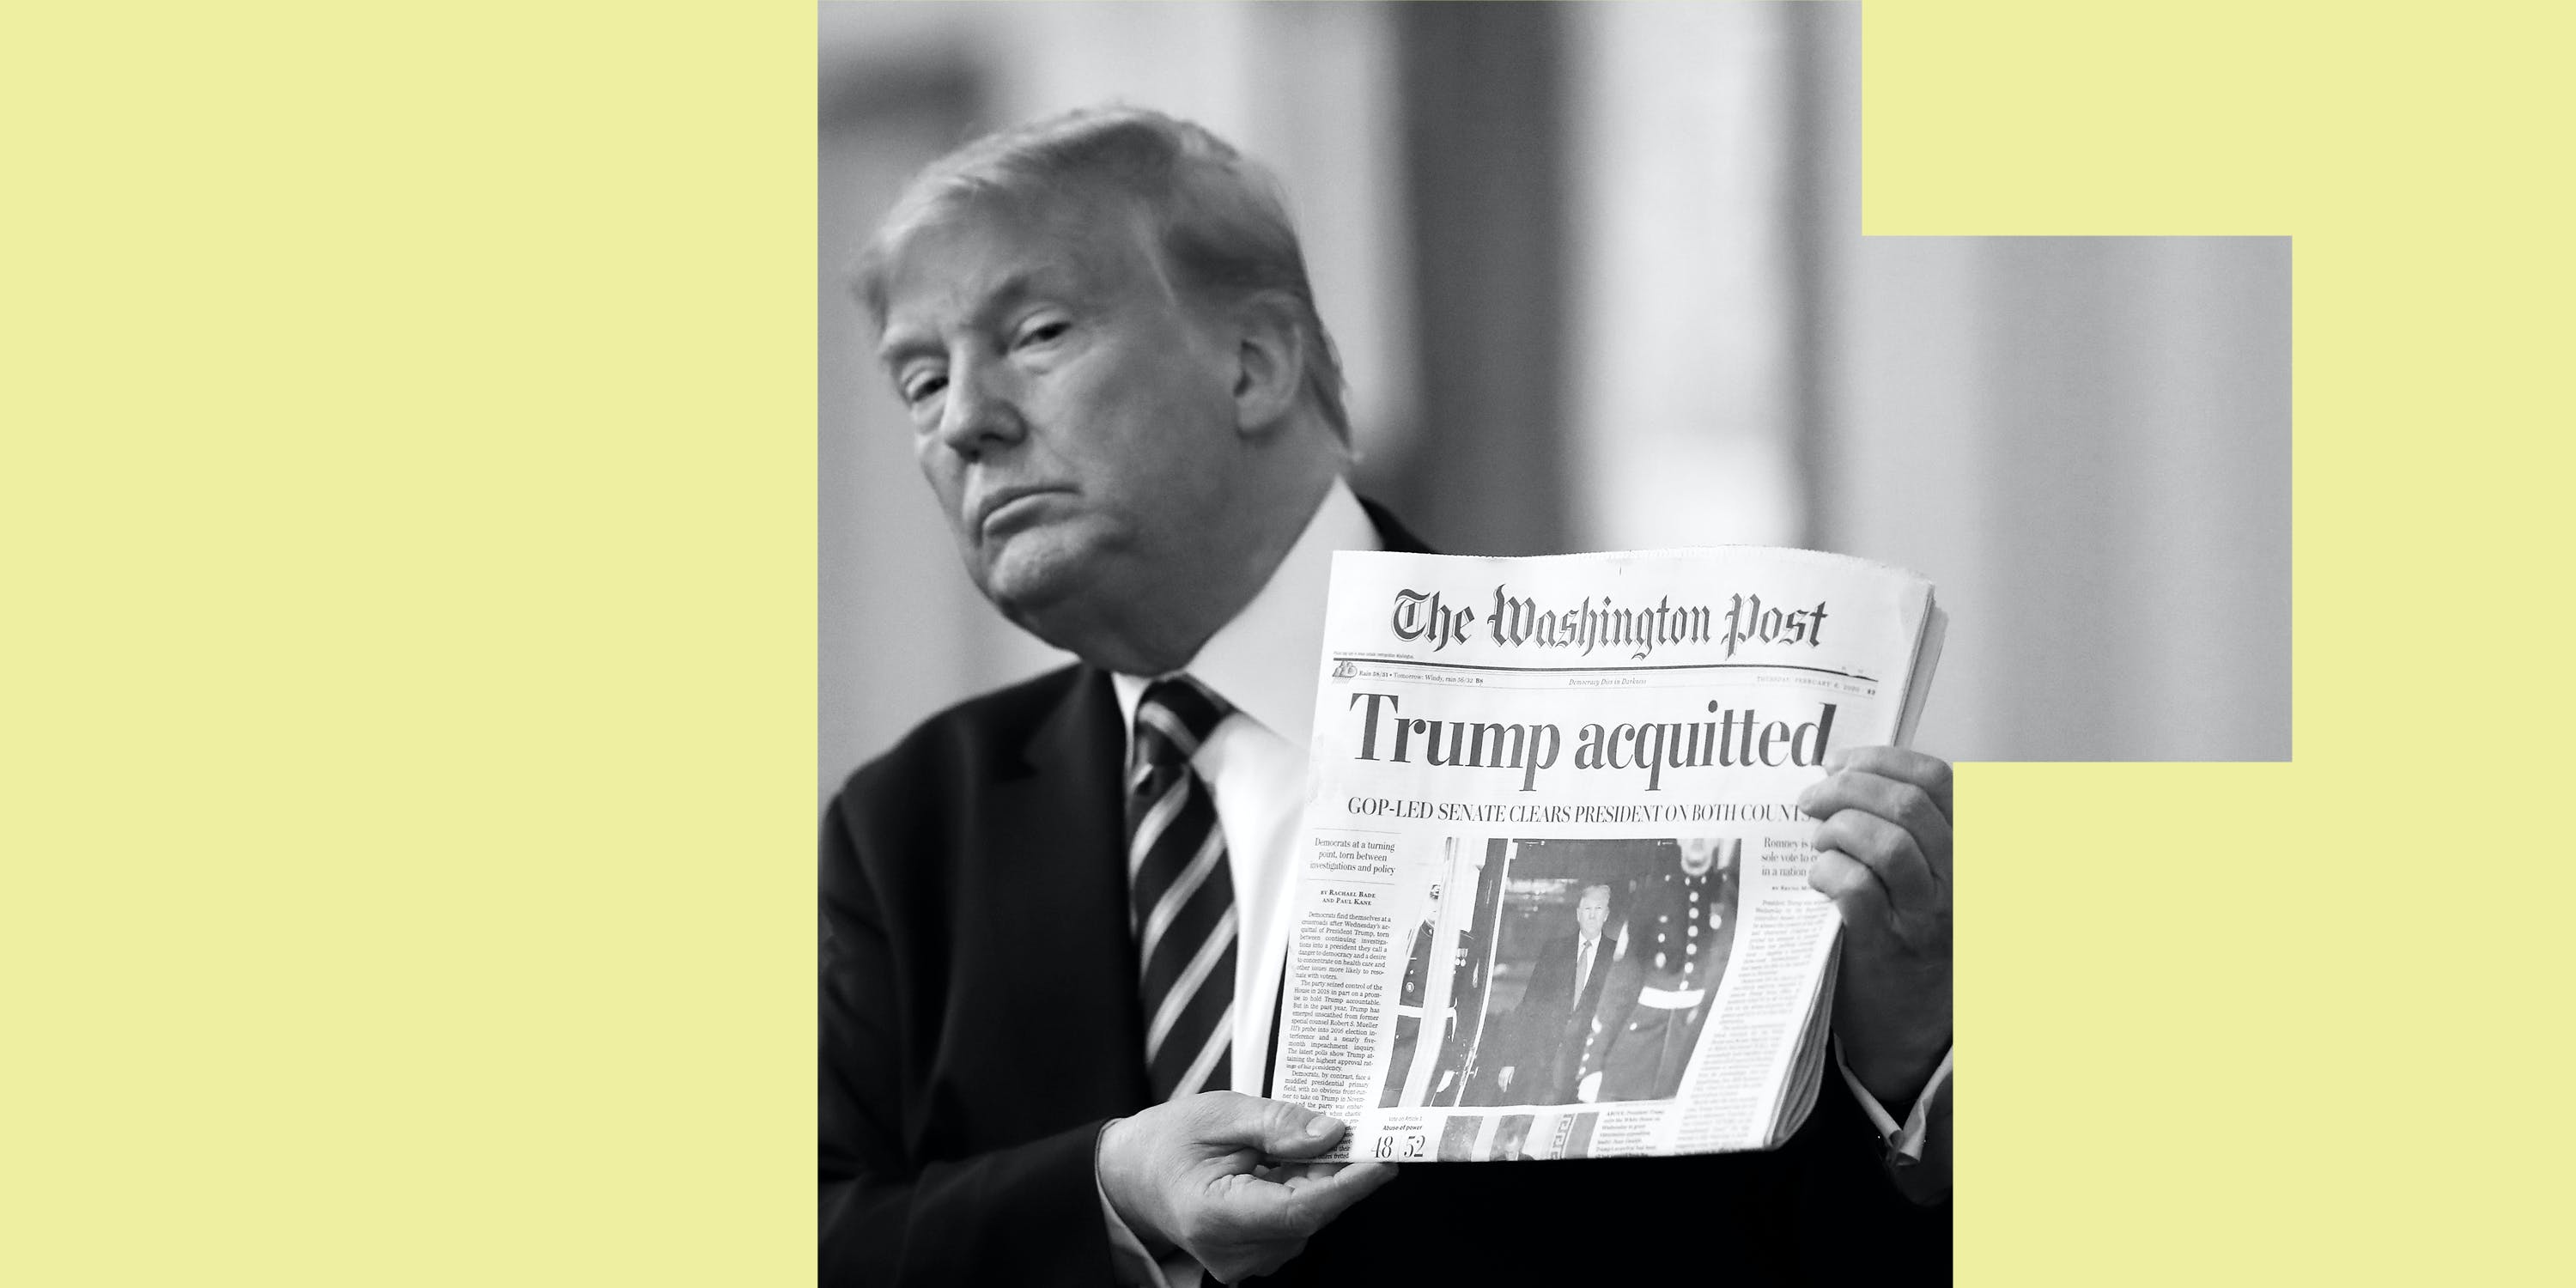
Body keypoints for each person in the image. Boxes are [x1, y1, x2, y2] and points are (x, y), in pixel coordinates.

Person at [822, 105, 1954, 1286]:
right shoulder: (906, 826)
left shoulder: (1647, 721)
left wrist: (1910, 1050)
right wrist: (1104, 1193)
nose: (964, 421)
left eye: (1039, 333)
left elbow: (1811, 1239)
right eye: (919, 379)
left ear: (1254, 363)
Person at [1578, 838, 1741, 1103]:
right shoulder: (1653, 895)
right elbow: (1623, 979)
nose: (1698, 839)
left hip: (1698, 1028)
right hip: (1646, 1029)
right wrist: (1593, 1064)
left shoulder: (1730, 896)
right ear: (1679, 839)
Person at [1492, 883, 1615, 1105]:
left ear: (1606, 915)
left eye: (1598, 909)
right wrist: (1510, 1060)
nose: (1592, 915)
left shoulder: (1616, 956)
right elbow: (1529, 1005)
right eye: (1587, 909)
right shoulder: (1555, 951)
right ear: (1578, 914)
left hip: (1587, 1066)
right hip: (1543, 1063)